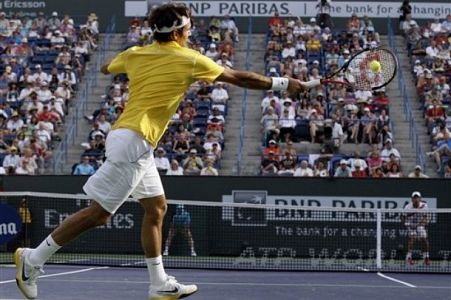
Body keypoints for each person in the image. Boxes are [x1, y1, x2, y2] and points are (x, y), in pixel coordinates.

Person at [14, 4, 312, 300]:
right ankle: (34, 259)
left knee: (156, 208)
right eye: (189, 27)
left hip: (133, 140)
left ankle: (158, 283)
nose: (190, 31)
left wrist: (127, 66)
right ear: (181, 32)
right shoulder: (190, 59)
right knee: (99, 214)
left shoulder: (134, 55)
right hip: (134, 141)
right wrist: (287, 83)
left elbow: (107, 67)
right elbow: (241, 78)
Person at [400, 191, 431, 266]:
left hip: (419, 225)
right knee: (412, 238)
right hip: (410, 225)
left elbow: (425, 217)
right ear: (412, 199)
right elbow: (402, 217)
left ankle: (426, 257)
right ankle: (409, 257)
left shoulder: (424, 206)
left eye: (417, 197)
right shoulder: (408, 207)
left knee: (424, 239)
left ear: (420, 198)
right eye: (414, 198)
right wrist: (405, 223)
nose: (416, 199)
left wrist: (421, 224)